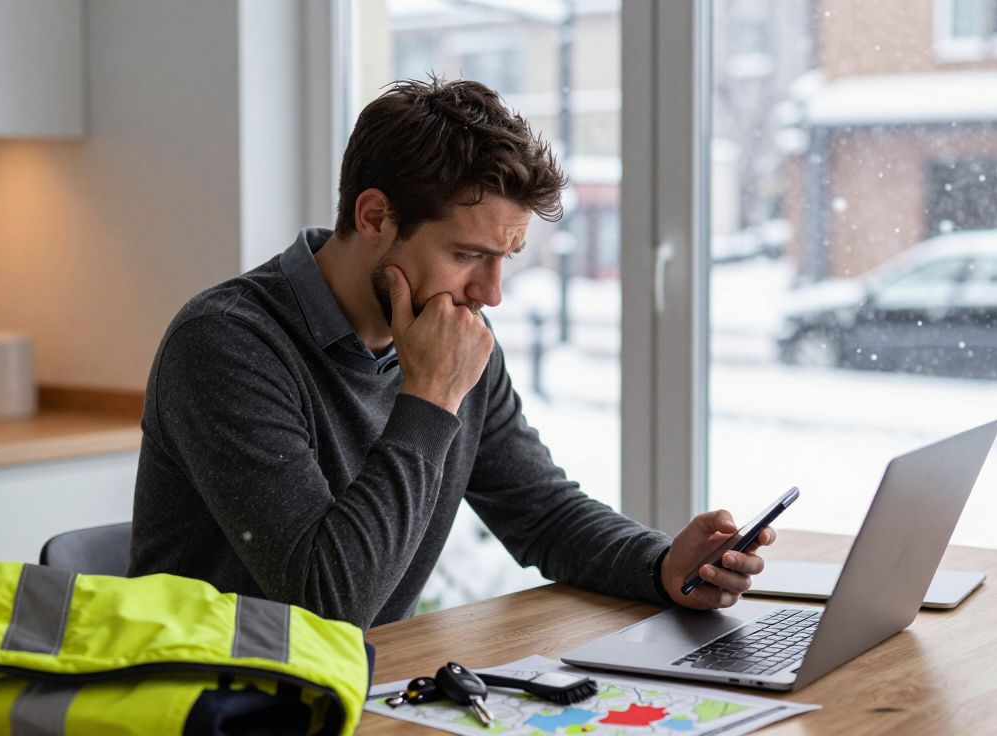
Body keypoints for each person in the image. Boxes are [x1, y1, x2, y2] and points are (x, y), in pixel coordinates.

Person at [129, 77, 775, 630]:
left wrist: (661, 565)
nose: (490, 293)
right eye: (467, 255)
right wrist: (431, 397)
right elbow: (326, 605)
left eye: (506, 259)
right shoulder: (226, 344)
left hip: (361, 691)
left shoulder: (452, 337)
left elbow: (541, 512)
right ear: (374, 216)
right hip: (214, 700)